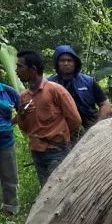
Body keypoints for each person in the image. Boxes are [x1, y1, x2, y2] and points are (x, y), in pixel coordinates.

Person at [15, 49, 81, 185]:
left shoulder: (55, 90)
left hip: (57, 151)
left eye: (20, 66)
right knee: (45, 190)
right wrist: (21, 115)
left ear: (33, 69)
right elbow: (24, 128)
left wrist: (61, 137)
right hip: (36, 152)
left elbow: (75, 120)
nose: (16, 70)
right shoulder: (24, 96)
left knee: (58, 189)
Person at [48, 45, 112, 131]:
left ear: (75, 63)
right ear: (57, 63)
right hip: (64, 131)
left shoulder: (88, 81)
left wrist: (97, 126)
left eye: (69, 60)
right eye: (62, 60)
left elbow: (105, 104)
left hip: (91, 126)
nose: (66, 63)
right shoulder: (49, 85)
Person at [0, 78, 20, 215]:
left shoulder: (8, 91)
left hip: (6, 142)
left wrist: (10, 123)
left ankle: (10, 211)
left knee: (9, 176)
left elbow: (24, 110)